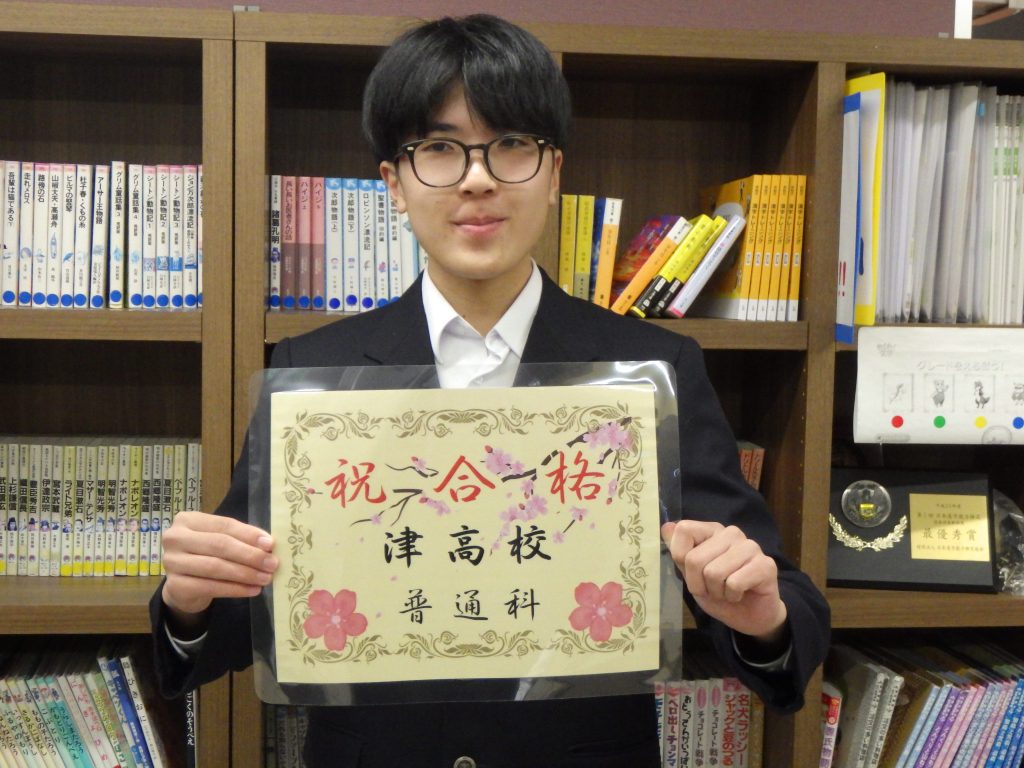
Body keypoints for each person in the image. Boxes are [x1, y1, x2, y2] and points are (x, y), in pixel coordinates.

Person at [151, 14, 830, 767]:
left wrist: (762, 617)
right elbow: (231, 629)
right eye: (440, 149)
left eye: (511, 144)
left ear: (554, 173)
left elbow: (785, 620)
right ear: (395, 185)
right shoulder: (314, 373)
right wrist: (190, 600)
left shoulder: (650, 370)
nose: (478, 178)